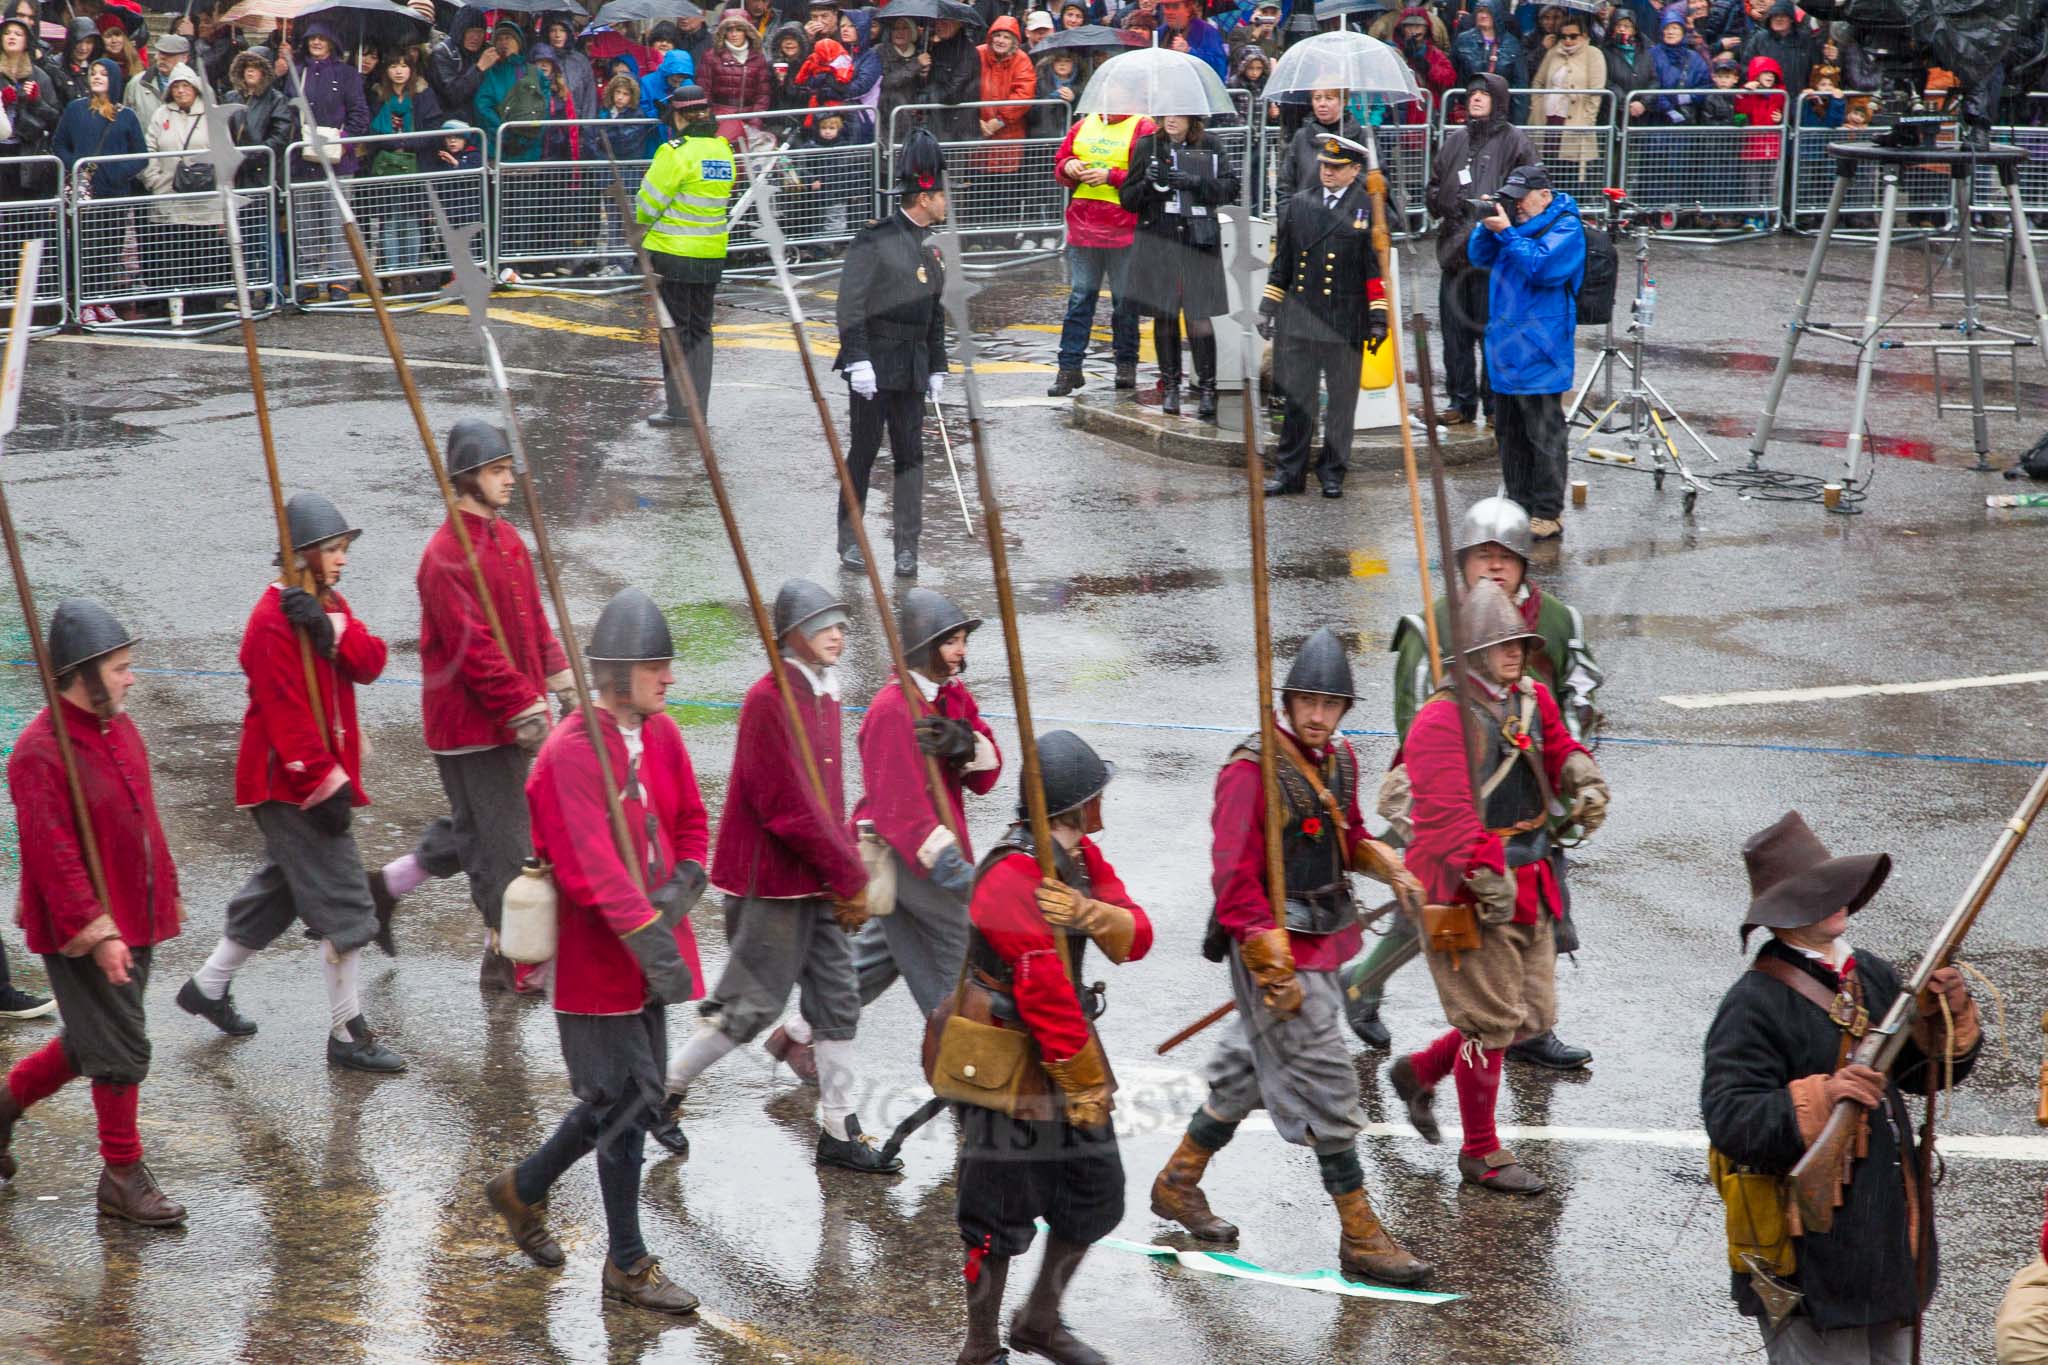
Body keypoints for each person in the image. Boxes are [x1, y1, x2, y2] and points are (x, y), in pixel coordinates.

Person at [1149, 629, 1432, 1287]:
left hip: (1324, 933)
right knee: (1330, 1078)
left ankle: (1177, 1180)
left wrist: (1389, 864)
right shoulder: (1250, 770)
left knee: (1247, 1067)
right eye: (1306, 699)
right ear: (1288, 698)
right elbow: (1231, 874)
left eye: (1330, 703)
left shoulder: (1342, 760)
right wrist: (1267, 958)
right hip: (1272, 947)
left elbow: (1349, 835)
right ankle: (1361, 1233)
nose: (1316, 713)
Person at [485, 588, 709, 1317]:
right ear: (618, 675)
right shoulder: (566, 757)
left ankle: (524, 1187)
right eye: (656, 667)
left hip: (650, 946)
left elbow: (692, 824)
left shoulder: (663, 736)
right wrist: (647, 930)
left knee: (624, 1100)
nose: (668, 679)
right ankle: (627, 1262)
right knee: (628, 1100)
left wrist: (679, 890)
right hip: (598, 962)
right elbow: (588, 870)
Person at [1703, 811, 1980, 1364]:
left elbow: (1918, 1077)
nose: (1839, 900)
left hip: (1884, 1242)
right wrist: (1825, 1098)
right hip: (1810, 1256)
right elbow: (1731, 1119)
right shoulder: (1753, 1002)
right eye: (1818, 893)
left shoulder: (1870, 975)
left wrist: (1943, 1020)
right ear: (1785, 913)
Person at [654, 580, 897, 1174]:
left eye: (840, 623)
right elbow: (783, 806)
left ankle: (840, 1128)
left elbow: (828, 797)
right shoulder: (769, 700)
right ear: (791, 636)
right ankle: (662, 1089)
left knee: (837, 1000)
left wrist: (846, 861)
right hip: (774, 884)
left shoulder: (825, 692)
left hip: (819, 876)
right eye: (823, 626)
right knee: (749, 1007)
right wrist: (848, 873)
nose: (838, 634)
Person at [1349, 496, 1603, 1063]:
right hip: (1452, 798)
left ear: (1522, 563)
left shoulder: (1556, 621)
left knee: (1542, 908)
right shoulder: (1433, 626)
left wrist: (1572, 772)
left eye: (1504, 557)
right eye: (1480, 556)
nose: (1492, 567)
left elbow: (1573, 697)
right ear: (1462, 561)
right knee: (1443, 918)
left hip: (1534, 789)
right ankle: (1360, 986)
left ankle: (1531, 1029)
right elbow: (1416, 717)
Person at [1387, 578, 1609, 1196]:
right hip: (1467, 885)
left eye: (1520, 642)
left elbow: (1557, 744)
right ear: (1474, 653)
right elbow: (1446, 816)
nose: (1516, 652)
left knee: (1524, 1018)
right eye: (1503, 643)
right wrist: (1487, 877)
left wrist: (1582, 775)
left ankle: (1422, 1069)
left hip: (1531, 876)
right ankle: (1480, 1152)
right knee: (1489, 1022)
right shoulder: (1440, 721)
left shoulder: (1531, 697)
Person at [177, 493, 407, 1075]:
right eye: (332, 550)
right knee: (349, 907)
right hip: (291, 785)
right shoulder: (268, 623)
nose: (342, 560)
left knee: (282, 890)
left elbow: (372, 662)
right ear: (301, 555)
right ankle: (347, 1033)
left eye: (343, 549)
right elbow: (286, 715)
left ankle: (209, 986)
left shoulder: (326, 606)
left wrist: (332, 630)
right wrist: (324, 784)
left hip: (306, 782)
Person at [952, 730, 1152, 1365]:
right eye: (1094, 796)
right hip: (1008, 1062)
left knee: (1096, 1189)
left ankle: (1039, 1320)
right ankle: (980, 1345)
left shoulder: (1082, 862)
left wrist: (1090, 913)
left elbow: (1136, 936)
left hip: (1065, 1051)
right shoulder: (1010, 873)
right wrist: (1086, 1084)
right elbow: (1039, 987)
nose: (1101, 806)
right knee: (994, 1216)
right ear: (1074, 805)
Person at [0, 602, 184, 1226]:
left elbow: (140, 821)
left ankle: (3, 1106)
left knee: (91, 1039)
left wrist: (164, 893)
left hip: (138, 912)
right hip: (83, 931)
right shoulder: (37, 753)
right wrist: (99, 933)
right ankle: (122, 1174)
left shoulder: (117, 725)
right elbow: (54, 859)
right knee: (121, 1048)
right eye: (121, 667)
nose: (132, 678)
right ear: (84, 674)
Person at [373, 420, 574, 988]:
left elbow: (533, 621)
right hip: (472, 727)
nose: (509, 480)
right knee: (506, 847)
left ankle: (386, 888)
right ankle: (506, 957)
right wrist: (524, 706)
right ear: (467, 478)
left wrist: (560, 680)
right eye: (496, 471)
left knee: (484, 830)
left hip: (515, 716)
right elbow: (474, 651)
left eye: (509, 469)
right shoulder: (442, 557)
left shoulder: (509, 542)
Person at [841, 587, 1001, 1036]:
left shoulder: (952, 697)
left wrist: (966, 743)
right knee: (959, 952)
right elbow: (900, 811)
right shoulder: (892, 709)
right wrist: (951, 868)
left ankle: (802, 1033)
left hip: (925, 851)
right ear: (925, 646)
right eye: (952, 642)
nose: (960, 651)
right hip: (906, 855)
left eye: (963, 641)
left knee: (888, 954)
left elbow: (986, 778)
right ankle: (960, 1051)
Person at [831, 127, 947, 578]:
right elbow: (850, 303)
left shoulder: (931, 247)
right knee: (863, 452)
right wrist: (857, 357)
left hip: (913, 366)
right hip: (875, 362)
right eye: (942, 196)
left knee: (910, 456)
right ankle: (850, 541)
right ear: (924, 198)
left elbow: (934, 313)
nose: (946, 203)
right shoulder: (874, 237)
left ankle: (906, 546)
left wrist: (937, 365)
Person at [1259, 135, 1388, 500]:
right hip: (1301, 318)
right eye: (1324, 165)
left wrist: (1378, 318)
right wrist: (1268, 306)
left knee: (1342, 403)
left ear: (1355, 171)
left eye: (1336, 167)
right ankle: (1290, 472)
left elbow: (1375, 271)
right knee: (1300, 400)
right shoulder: (1300, 203)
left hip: (1345, 320)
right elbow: (1283, 261)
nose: (1327, 172)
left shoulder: (1369, 207)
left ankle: (1333, 471)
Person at [1470, 162, 1583, 539]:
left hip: (1542, 348)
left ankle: (1548, 511)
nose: (1517, 206)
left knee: (1545, 435)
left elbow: (1542, 267)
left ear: (1545, 196)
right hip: (1505, 346)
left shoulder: (1566, 226)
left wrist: (1506, 234)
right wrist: (1487, 224)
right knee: (1510, 433)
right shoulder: (1512, 226)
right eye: (1512, 198)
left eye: (1523, 199)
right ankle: (1518, 505)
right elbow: (1476, 256)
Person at [1426, 74, 1534, 428]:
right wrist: (1449, 203)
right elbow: (1434, 185)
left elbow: (1530, 189)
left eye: (1483, 94)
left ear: (1498, 100)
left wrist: (1495, 208)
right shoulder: (1455, 140)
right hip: (1454, 253)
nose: (1474, 98)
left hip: (1494, 255)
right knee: (1454, 333)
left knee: (1493, 332)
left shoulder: (1516, 140)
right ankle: (1460, 400)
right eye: (1471, 93)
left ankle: (1493, 403)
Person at [1122, 111, 1237, 422]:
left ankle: (1208, 389)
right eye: (1166, 115)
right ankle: (1171, 384)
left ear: (1192, 118)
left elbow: (1230, 188)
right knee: (1165, 314)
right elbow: (1127, 199)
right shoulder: (1148, 146)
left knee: (1199, 317)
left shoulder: (1211, 144)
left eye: (1178, 115)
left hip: (1198, 238)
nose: (1170, 120)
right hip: (1159, 238)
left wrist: (1196, 182)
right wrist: (1147, 184)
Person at [636, 84, 733, 427]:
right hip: (711, 253)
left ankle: (679, 409)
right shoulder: (722, 150)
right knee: (701, 330)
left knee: (675, 332)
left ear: (678, 116)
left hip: (673, 254)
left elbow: (647, 206)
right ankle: (698, 410)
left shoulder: (674, 152)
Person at [1047, 101, 1152, 396]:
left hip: (1124, 228)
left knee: (1124, 301)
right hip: (1084, 227)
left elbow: (1146, 177)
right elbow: (1061, 164)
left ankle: (1125, 365)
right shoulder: (1083, 125)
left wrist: (1111, 176)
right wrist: (1068, 166)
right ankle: (1069, 368)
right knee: (1080, 299)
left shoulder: (1143, 128)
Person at [53, 56, 145, 327]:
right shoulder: (75, 109)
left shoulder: (126, 115)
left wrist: (118, 172)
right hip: (85, 193)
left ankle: (103, 299)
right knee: (85, 247)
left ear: (113, 79)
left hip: (115, 192)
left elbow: (141, 155)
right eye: (93, 73)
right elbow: (59, 144)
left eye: (103, 74)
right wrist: (77, 167)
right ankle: (84, 302)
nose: (97, 77)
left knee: (110, 247)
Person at [289, 21, 369, 303]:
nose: (317, 42)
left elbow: (360, 115)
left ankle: (340, 280)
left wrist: (344, 141)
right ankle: (309, 278)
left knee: (338, 223)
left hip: (338, 160)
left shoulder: (347, 74)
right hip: (303, 160)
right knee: (306, 223)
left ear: (332, 42)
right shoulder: (296, 72)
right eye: (313, 38)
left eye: (322, 38)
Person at [139, 63, 223, 325]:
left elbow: (224, 152)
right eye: (176, 86)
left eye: (185, 85)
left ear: (196, 87)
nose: (181, 90)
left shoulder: (212, 114)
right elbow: (149, 147)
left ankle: (203, 308)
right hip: (168, 195)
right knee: (171, 254)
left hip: (204, 199)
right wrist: (153, 179)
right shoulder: (161, 114)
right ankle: (173, 307)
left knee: (203, 254)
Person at [1531, 14, 1607, 189]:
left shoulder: (1594, 54)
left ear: (1584, 35)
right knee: (1547, 171)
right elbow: (1538, 82)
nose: (1568, 40)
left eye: (1573, 36)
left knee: (1570, 175)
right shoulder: (1553, 53)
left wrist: (1587, 121)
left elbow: (1596, 92)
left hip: (1575, 124)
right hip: (1549, 121)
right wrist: (1537, 107)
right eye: (1563, 36)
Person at [702, 8, 769, 146]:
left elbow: (763, 94)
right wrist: (711, 119)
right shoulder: (711, 56)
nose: (734, 34)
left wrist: (755, 121)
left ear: (747, 32)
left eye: (739, 29)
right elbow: (704, 91)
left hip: (749, 119)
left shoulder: (758, 58)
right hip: (720, 118)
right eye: (729, 30)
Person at [427, 5, 494, 125]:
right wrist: (478, 69)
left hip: (480, 121)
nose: (476, 37)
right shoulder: (442, 53)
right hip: (450, 124)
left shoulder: (486, 51)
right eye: (471, 31)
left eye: (480, 32)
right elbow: (453, 95)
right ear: (460, 30)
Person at [1453, 0, 1524, 92]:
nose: (1483, 15)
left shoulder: (1512, 43)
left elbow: (1520, 81)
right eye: (1480, 11)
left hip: (1500, 103)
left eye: (1488, 12)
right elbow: (1452, 74)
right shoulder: (1463, 39)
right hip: (1468, 100)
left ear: (1497, 14)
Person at [122, 30, 185, 130]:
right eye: (160, 52)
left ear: (184, 58)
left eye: (169, 54)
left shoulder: (197, 87)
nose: (162, 57)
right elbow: (126, 122)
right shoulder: (137, 84)